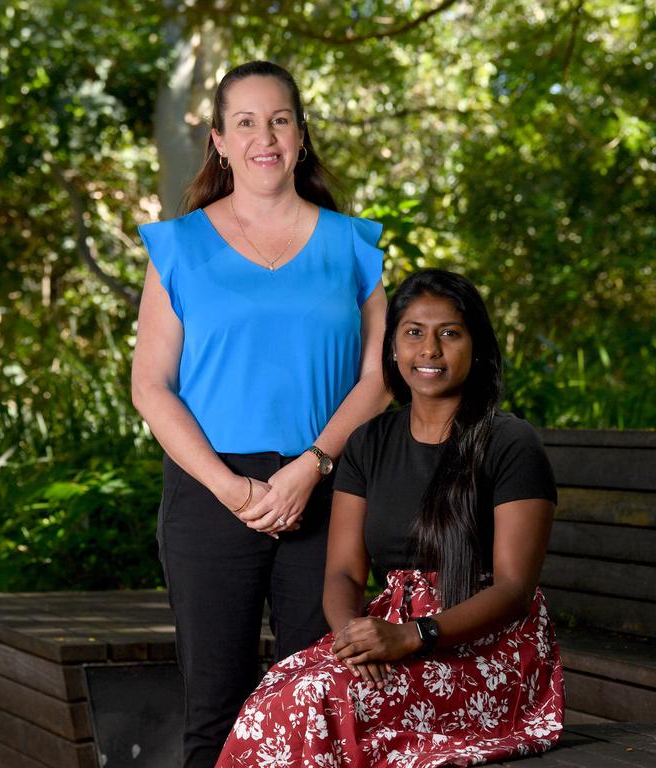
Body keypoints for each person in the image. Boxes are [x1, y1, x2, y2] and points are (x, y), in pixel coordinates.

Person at [131, 61, 391, 768]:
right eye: (244, 122)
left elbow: (378, 377)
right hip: (212, 493)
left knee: (314, 707)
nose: (263, 136)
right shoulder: (179, 247)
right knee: (216, 711)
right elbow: (151, 386)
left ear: (301, 137)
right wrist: (232, 489)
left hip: (327, 486)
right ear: (219, 140)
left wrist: (312, 466)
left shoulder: (352, 246)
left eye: (279, 119)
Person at [217, 268, 565, 767]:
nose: (430, 350)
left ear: (477, 346)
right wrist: (352, 638)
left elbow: (513, 590)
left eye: (450, 333)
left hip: (488, 649)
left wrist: (414, 635)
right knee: (277, 692)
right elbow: (343, 572)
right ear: (393, 349)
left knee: (319, 701)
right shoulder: (368, 443)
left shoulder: (510, 444)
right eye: (413, 333)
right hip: (388, 632)